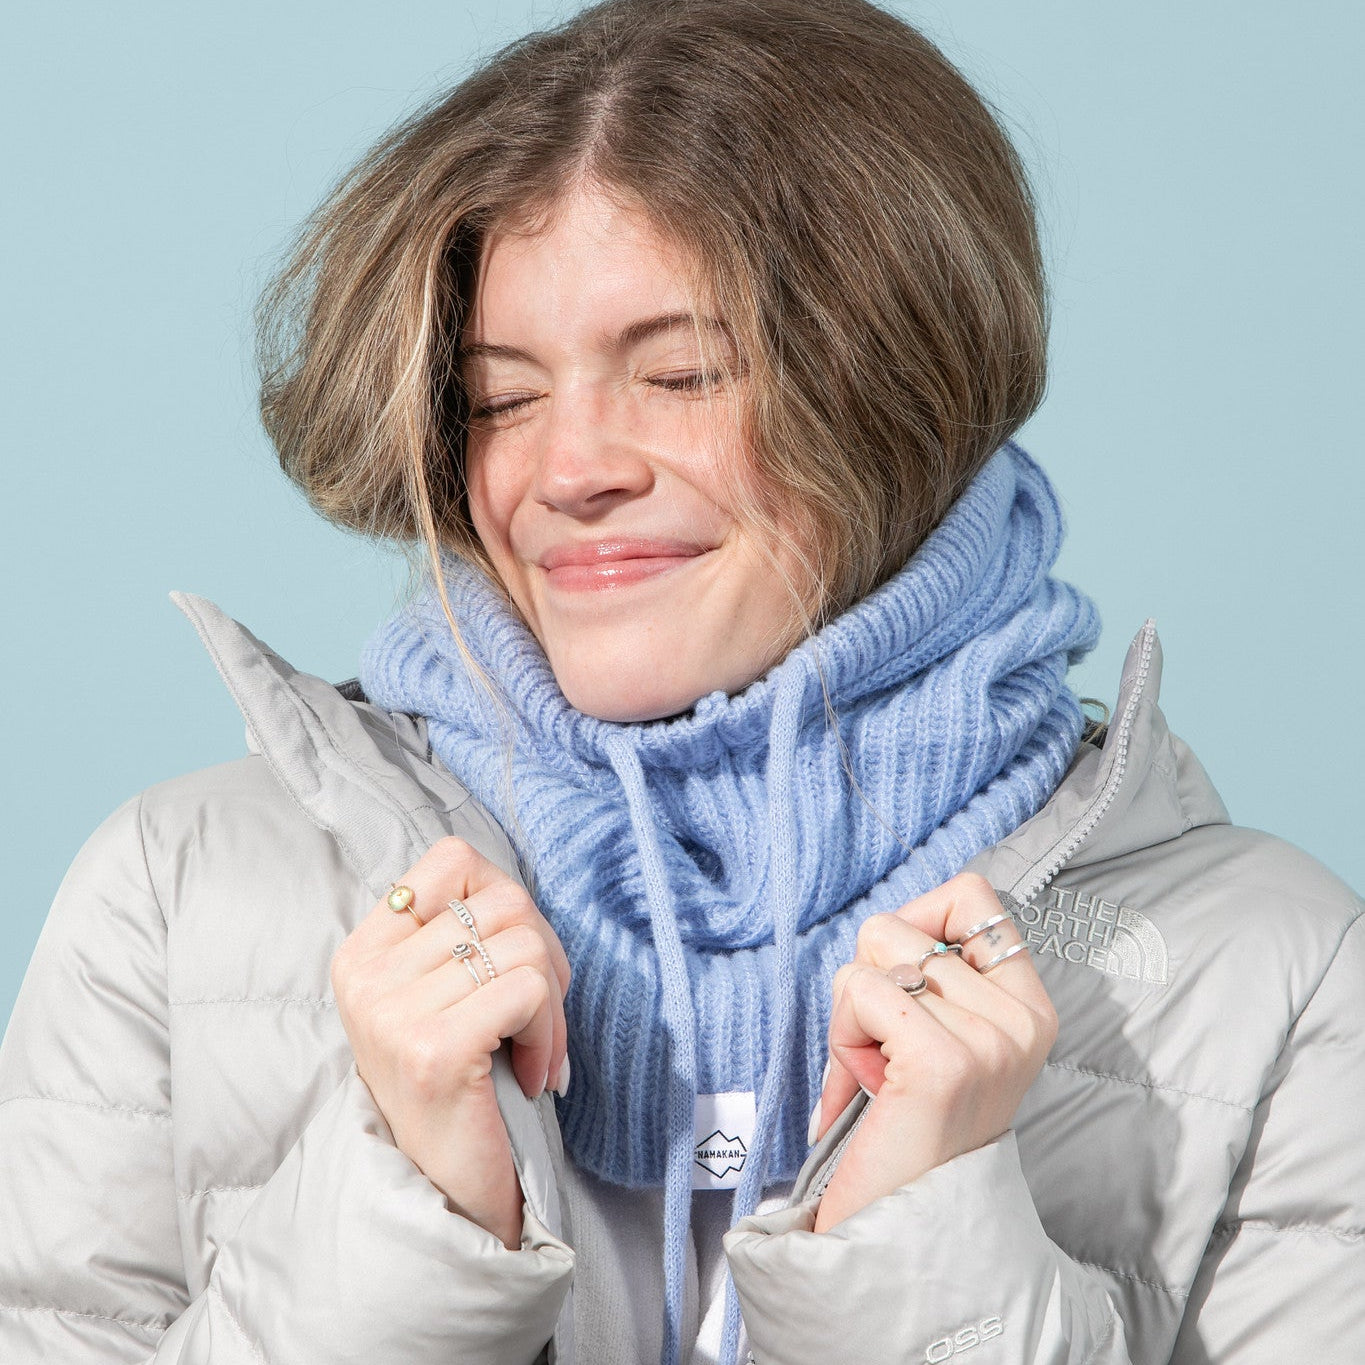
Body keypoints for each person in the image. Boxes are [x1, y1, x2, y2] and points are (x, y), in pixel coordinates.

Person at [2, 0, 1361, 1362]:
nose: (571, 467)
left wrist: (921, 1256)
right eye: (500, 396)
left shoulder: (1269, 974)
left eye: (680, 373)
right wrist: (411, 1228)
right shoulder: (180, 899)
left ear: (906, 388)